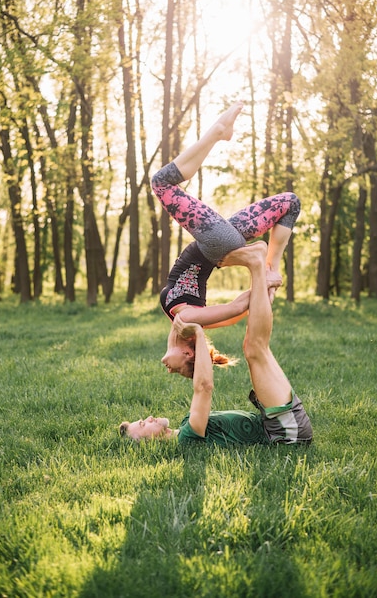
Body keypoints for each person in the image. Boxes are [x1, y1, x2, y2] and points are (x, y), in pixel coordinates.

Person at [152, 101, 301, 377]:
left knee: (290, 204)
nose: (169, 371)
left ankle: (271, 268)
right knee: (161, 183)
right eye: (178, 370)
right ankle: (218, 131)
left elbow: (238, 313)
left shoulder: (183, 321)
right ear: (187, 353)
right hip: (215, 244)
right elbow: (236, 307)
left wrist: (266, 287)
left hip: (219, 241)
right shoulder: (186, 320)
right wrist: (263, 286)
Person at [119, 241, 312, 446]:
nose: (148, 418)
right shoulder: (187, 438)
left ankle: (261, 269)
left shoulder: (187, 424)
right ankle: (256, 264)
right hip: (285, 433)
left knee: (254, 348)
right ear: (148, 443)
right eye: (142, 425)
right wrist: (198, 334)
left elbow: (180, 330)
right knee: (255, 349)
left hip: (276, 423)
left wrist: (264, 289)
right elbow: (204, 386)